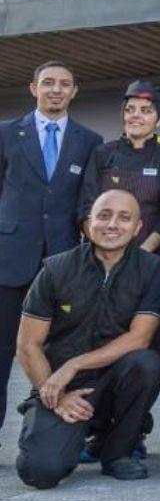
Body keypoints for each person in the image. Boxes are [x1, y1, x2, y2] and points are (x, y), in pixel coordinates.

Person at [13, 190, 160, 488]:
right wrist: (55, 394)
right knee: (41, 471)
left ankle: (118, 451)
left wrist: (75, 364)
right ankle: (63, 431)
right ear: (87, 223)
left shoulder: (152, 269)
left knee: (147, 363)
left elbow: (140, 338)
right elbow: (27, 345)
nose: (112, 225)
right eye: (104, 215)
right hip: (60, 384)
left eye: (124, 218)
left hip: (113, 381)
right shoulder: (56, 269)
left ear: (137, 228)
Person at [0, 61, 103, 434]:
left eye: (64, 84)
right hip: (8, 260)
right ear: (33, 89)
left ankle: (46, 429)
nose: (56, 90)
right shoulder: (7, 133)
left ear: (75, 91)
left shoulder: (89, 141)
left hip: (60, 264)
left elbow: (86, 203)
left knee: (55, 352)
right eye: (48, 83)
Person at [79, 80, 160, 258]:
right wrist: (104, 247)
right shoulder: (102, 153)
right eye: (130, 109)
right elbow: (86, 206)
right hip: (101, 256)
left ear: (159, 120)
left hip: (150, 258)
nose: (136, 115)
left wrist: (141, 254)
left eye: (146, 111)